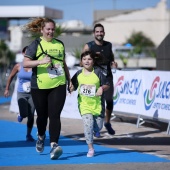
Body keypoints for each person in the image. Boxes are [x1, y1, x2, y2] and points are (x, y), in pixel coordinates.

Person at [23, 17, 72, 160]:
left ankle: (54, 145)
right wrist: (41, 61)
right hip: (39, 86)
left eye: (52, 29)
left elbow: (63, 64)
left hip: (58, 84)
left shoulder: (60, 44)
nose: (50, 31)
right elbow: (26, 63)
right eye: (48, 29)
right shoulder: (36, 44)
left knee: (55, 115)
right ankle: (41, 136)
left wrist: (69, 81)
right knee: (42, 116)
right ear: (42, 30)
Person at [70, 50, 110, 157]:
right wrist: (70, 88)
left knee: (98, 126)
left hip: (97, 105)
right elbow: (72, 87)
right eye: (84, 59)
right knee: (88, 125)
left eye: (89, 59)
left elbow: (107, 84)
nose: (87, 61)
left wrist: (102, 88)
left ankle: (96, 130)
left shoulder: (97, 72)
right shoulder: (78, 74)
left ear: (93, 61)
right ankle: (91, 148)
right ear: (81, 61)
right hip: (84, 105)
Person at [83, 23, 118, 135]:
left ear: (104, 33)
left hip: (107, 77)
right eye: (97, 32)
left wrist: (113, 63)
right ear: (94, 33)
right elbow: (81, 62)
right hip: (94, 78)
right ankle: (96, 127)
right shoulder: (89, 46)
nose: (99, 33)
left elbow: (111, 58)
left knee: (109, 102)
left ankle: (107, 122)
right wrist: (92, 61)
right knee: (97, 103)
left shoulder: (108, 45)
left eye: (101, 31)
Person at [4, 46, 35, 142]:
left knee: (31, 115)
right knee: (24, 113)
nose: (28, 55)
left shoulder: (35, 66)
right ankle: (20, 115)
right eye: (26, 53)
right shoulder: (18, 66)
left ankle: (28, 134)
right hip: (21, 93)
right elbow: (11, 77)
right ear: (23, 54)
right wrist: (7, 89)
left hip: (33, 93)